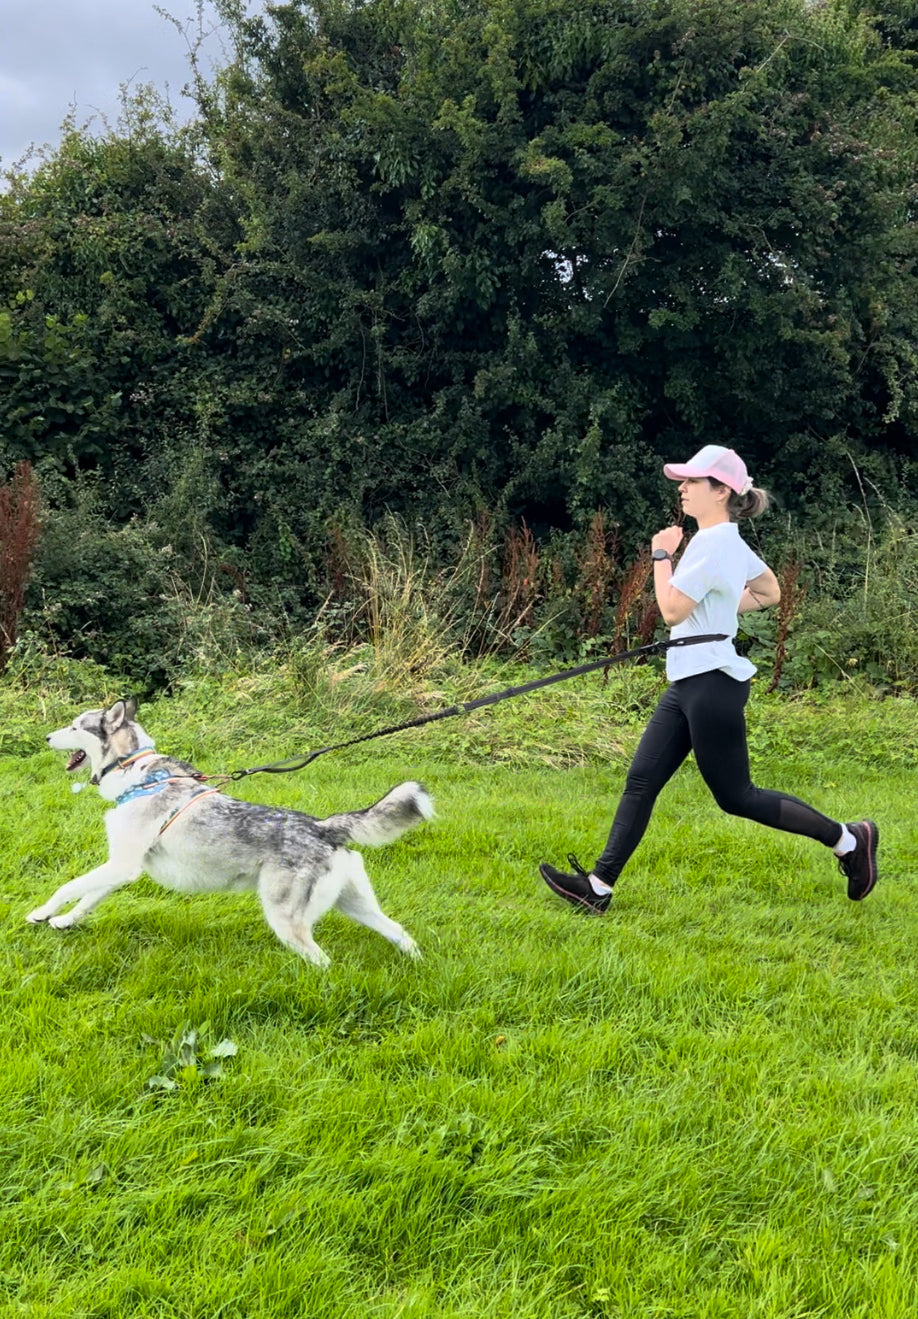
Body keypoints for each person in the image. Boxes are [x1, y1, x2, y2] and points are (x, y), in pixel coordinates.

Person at [539, 444, 879, 913]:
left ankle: (848, 839)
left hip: (711, 682)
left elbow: (672, 610)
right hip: (690, 681)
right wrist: (719, 609)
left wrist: (661, 555)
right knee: (641, 780)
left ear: (720, 491)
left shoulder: (712, 543)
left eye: (692, 481)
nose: (682, 488)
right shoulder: (730, 543)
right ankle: (599, 887)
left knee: (737, 796)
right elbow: (769, 591)